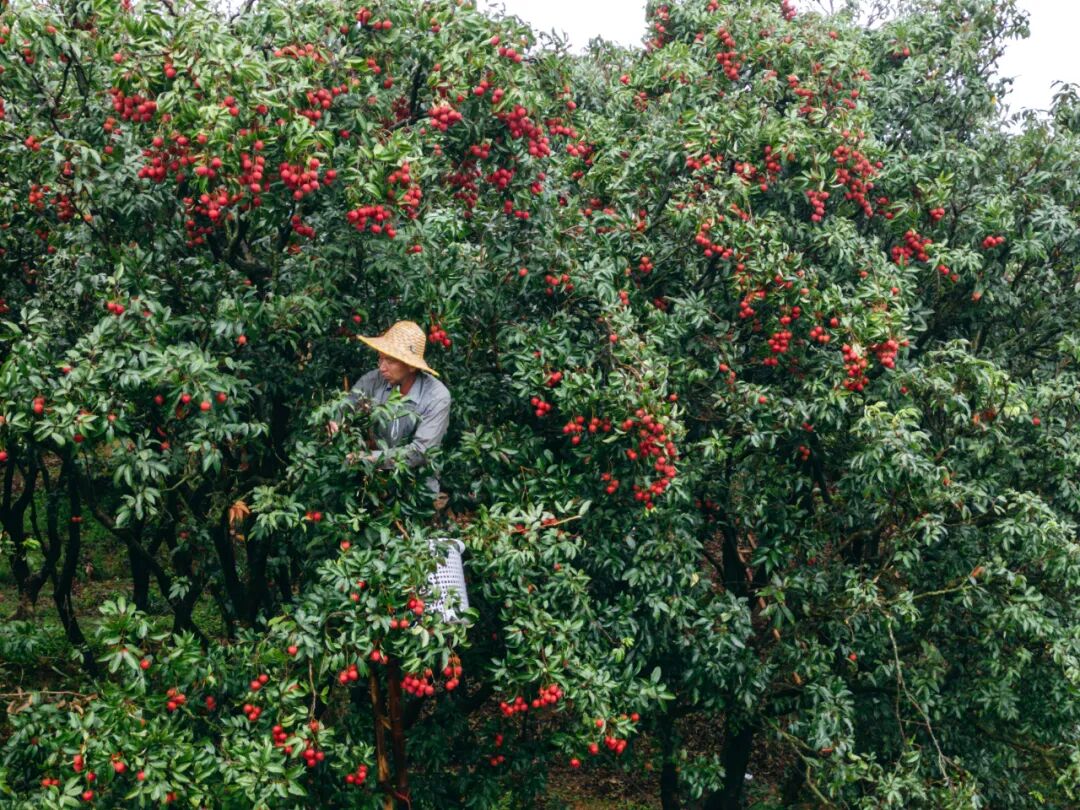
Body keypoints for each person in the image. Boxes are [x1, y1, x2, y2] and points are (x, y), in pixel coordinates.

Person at [327, 320, 452, 508]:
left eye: (390, 360)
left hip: (416, 493)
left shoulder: (437, 397)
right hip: (372, 488)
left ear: (411, 366)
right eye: (380, 358)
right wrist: (335, 421)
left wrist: (369, 458)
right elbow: (347, 406)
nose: (382, 367)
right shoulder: (373, 380)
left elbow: (419, 452)